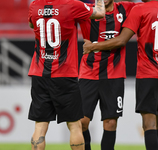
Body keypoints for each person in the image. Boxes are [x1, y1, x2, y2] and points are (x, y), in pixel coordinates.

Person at [79, 0, 158, 149]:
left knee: (111, 123)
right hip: (88, 73)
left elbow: (149, 6)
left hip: (115, 75)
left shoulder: (127, 8)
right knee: (82, 122)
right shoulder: (85, 10)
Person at [27, 0, 105, 149]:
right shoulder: (72, 5)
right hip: (64, 74)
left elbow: (32, 25)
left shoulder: (34, 5)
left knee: (40, 126)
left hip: (40, 74)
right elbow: (100, 13)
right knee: (74, 125)